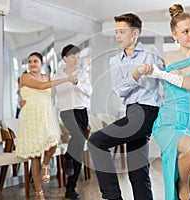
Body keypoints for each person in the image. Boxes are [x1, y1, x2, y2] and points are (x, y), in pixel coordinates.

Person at [87, 13, 164, 200]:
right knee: (138, 170)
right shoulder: (115, 61)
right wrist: (136, 74)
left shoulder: (151, 53)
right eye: (116, 32)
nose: (118, 36)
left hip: (147, 111)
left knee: (96, 142)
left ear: (135, 33)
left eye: (122, 31)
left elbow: (167, 78)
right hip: (132, 111)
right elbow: (119, 91)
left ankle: (112, 197)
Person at [148, 4, 190, 200]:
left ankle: (186, 187)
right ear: (174, 35)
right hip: (170, 119)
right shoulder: (165, 58)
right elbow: (157, 90)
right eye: (185, 31)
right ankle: (181, 184)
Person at [16, 52, 77, 200]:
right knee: (35, 154)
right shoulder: (25, 77)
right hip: (31, 117)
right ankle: (39, 193)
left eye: (35, 61)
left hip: (45, 116)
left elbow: (51, 92)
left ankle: (45, 164)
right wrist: (67, 79)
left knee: (53, 143)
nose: (32, 64)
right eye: (29, 61)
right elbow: (42, 87)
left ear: (42, 63)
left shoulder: (46, 77)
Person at [53, 44, 92, 200]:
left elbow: (89, 92)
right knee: (78, 138)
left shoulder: (82, 73)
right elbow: (51, 95)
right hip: (67, 112)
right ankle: (68, 158)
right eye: (73, 57)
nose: (76, 60)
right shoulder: (57, 75)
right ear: (65, 58)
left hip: (81, 111)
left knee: (78, 148)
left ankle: (71, 188)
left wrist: (77, 83)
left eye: (78, 57)